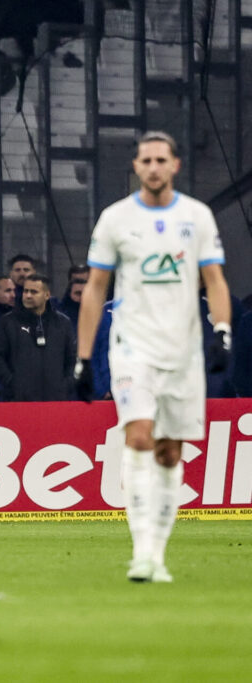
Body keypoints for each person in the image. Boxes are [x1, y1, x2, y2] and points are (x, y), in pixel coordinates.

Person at [74, 131, 232, 583]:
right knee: (139, 437)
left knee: (169, 451)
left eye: (162, 159)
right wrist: (84, 357)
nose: (154, 167)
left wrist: (222, 332)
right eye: (146, 160)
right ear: (136, 166)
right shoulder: (115, 219)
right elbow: (95, 289)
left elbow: (215, 280)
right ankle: (141, 553)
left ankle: (157, 554)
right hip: (132, 347)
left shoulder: (196, 216)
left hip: (181, 352)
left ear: (175, 165)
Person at [0, 274, 76, 401]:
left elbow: (72, 358)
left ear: (47, 295)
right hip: (19, 401)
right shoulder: (7, 322)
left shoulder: (63, 323)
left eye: (34, 292)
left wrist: (65, 386)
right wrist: (14, 384)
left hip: (56, 400)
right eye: (25, 291)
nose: (28, 295)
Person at [53, 264, 89, 329]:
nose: (80, 284)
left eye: (85, 281)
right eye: (76, 281)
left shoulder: (102, 311)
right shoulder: (58, 311)